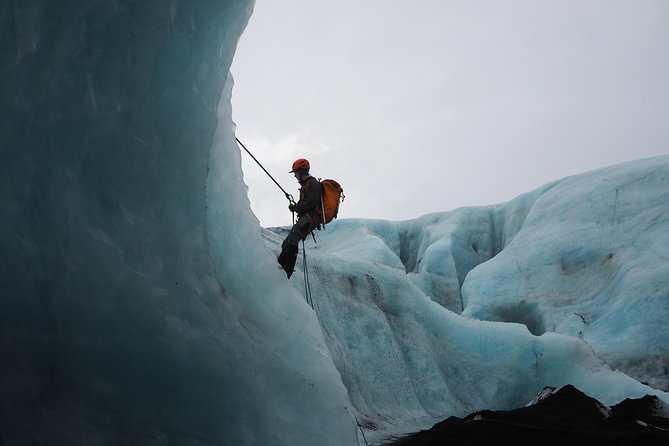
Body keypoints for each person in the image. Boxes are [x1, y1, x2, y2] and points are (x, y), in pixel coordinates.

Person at [277, 158, 322, 278]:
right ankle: (282, 263)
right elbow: (306, 202)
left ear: (301, 172)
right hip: (307, 217)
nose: (295, 176)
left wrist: (296, 208)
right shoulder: (306, 185)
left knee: (294, 236)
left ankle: (288, 267)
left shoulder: (313, 184)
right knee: (287, 241)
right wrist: (296, 207)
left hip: (311, 217)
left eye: (296, 173)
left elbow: (311, 203)